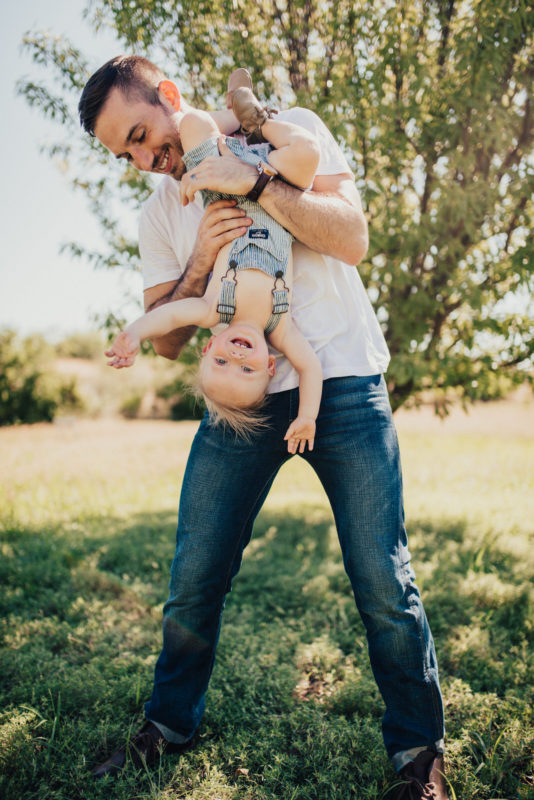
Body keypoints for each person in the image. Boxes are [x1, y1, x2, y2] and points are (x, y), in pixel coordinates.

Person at [78, 55, 449, 799]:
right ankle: (169, 725)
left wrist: (255, 185)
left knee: (382, 576)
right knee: (194, 574)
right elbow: (168, 336)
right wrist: (204, 257)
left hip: (336, 378)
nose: (147, 160)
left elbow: (351, 238)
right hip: (238, 402)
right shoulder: (161, 209)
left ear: (171, 98)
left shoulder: (288, 132)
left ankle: (419, 755)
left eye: (145, 135)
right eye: (129, 154)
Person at [106, 88, 323, 452]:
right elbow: (310, 369)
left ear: (208, 347)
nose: (236, 358)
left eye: (221, 361)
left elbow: (170, 315)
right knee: (308, 152)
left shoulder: (211, 309)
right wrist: (307, 417)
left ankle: (237, 120)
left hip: (219, 183)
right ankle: (263, 123)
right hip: (269, 176)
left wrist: (135, 334)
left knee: (192, 124)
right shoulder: (281, 329)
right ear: (270, 366)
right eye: (246, 370)